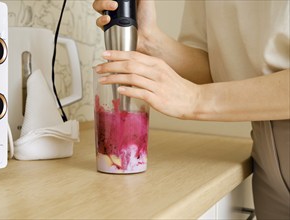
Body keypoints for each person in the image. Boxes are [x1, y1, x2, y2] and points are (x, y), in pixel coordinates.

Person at [92, 0, 290, 219]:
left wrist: (196, 99)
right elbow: (213, 68)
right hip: (267, 158)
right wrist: (149, 41)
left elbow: (200, 92)